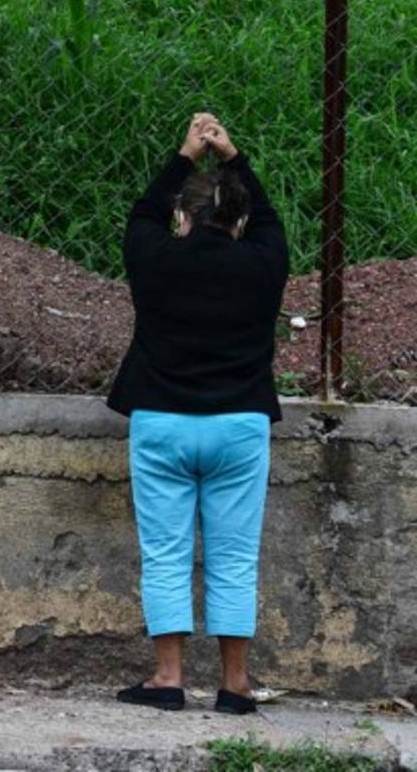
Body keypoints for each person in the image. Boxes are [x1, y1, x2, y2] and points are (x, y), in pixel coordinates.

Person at [107, 114, 289, 715]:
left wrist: (184, 156)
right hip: (240, 425)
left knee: (166, 550)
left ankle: (168, 678)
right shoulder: (261, 264)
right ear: (238, 223)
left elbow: (140, 215)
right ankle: (234, 685)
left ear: (180, 218)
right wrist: (232, 156)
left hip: (162, 420)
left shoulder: (156, 258)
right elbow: (269, 221)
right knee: (235, 553)